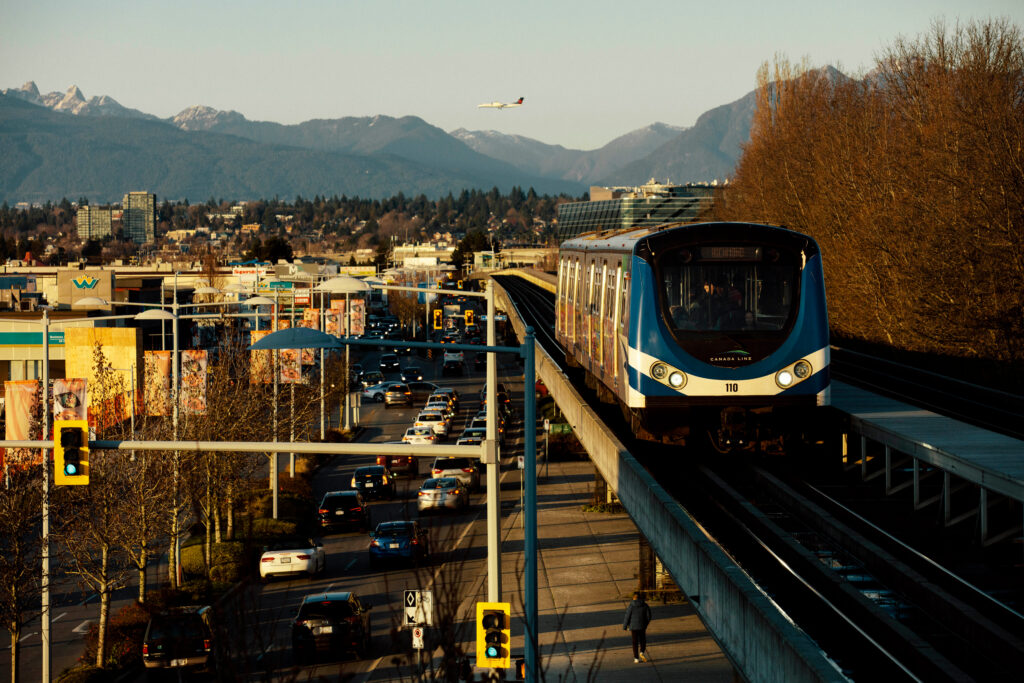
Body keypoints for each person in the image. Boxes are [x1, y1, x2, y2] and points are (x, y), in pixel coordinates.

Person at [622, 591, 652, 663]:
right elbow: (649, 616)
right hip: (642, 626)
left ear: (633, 597)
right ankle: (641, 652)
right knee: (642, 640)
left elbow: (627, 616)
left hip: (633, 627)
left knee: (635, 642)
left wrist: (625, 626)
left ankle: (636, 658)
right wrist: (645, 624)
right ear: (640, 597)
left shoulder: (631, 606)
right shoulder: (645, 605)